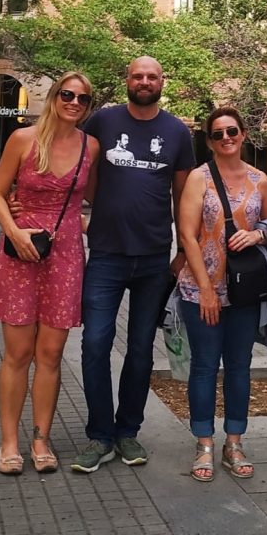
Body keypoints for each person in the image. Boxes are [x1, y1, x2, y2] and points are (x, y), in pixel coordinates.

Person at [70, 56, 195, 474]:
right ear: (127, 80)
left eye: (152, 76)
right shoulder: (102, 122)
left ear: (163, 81)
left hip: (154, 259)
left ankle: (127, 431)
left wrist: (183, 251)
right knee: (94, 344)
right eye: (138, 75)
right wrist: (96, 211)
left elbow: (184, 198)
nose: (145, 81)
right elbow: (83, 172)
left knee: (141, 351)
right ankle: (100, 436)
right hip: (106, 255)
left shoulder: (177, 132)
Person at [0, 72, 98, 475]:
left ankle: (40, 439)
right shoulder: (23, 139)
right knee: (18, 353)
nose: (73, 102)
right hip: (21, 251)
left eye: (82, 99)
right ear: (53, 97)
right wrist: (13, 230)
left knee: (50, 354)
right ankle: (9, 442)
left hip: (65, 254)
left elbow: (96, 199)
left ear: (88, 107)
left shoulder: (92, 147)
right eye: (67, 94)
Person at [176, 107, 267, 483]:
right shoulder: (198, 179)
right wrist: (205, 288)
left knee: (239, 366)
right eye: (217, 134)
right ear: (209, 140)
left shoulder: (259, 180)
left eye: (232, 131)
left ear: (243, 134)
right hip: (200, 288)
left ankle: (234, 442)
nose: (226, 138)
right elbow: (187, 234)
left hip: (244, 290)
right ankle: (204, 442)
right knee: (204, 365)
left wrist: (257, 234)